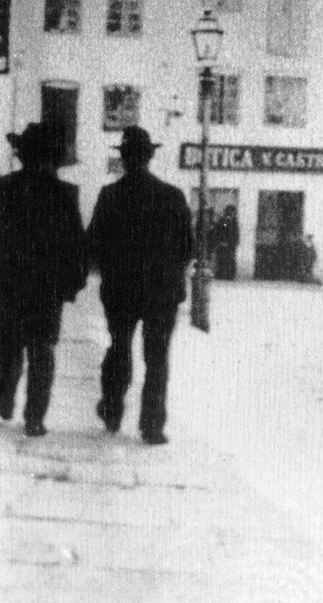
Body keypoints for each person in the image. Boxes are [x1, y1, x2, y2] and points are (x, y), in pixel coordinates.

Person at [86, 127, 193, 446]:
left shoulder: (110, 195)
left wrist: (110, 265)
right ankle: (152, 426)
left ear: (123, 158)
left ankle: (112, 410)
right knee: (157, 358)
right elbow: (188, 247)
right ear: (149, 157)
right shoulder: (172, 196)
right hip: (162, 291)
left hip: (121, 289)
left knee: (119, 347)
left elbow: (93, 244)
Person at [0, 123, 87, 437]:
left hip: (8, 286)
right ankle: (34, 417)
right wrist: (72, 285)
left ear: (21, 155)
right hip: (46, 290)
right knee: (42, 353)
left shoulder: (4, 187)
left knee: (8, 348)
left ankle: (5, 398)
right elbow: (77, 244)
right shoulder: (64, 193)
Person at [213, 205, 240, 281]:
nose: (231, 214)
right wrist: (221, 241)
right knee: (222, 260)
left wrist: (234, 242)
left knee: (230, 260)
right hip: (223, 244)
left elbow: (236, 232)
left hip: (230, 245)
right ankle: (222, 274)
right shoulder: (223, 220)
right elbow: (221, 230)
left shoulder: (234, 220)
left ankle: (229, 275)